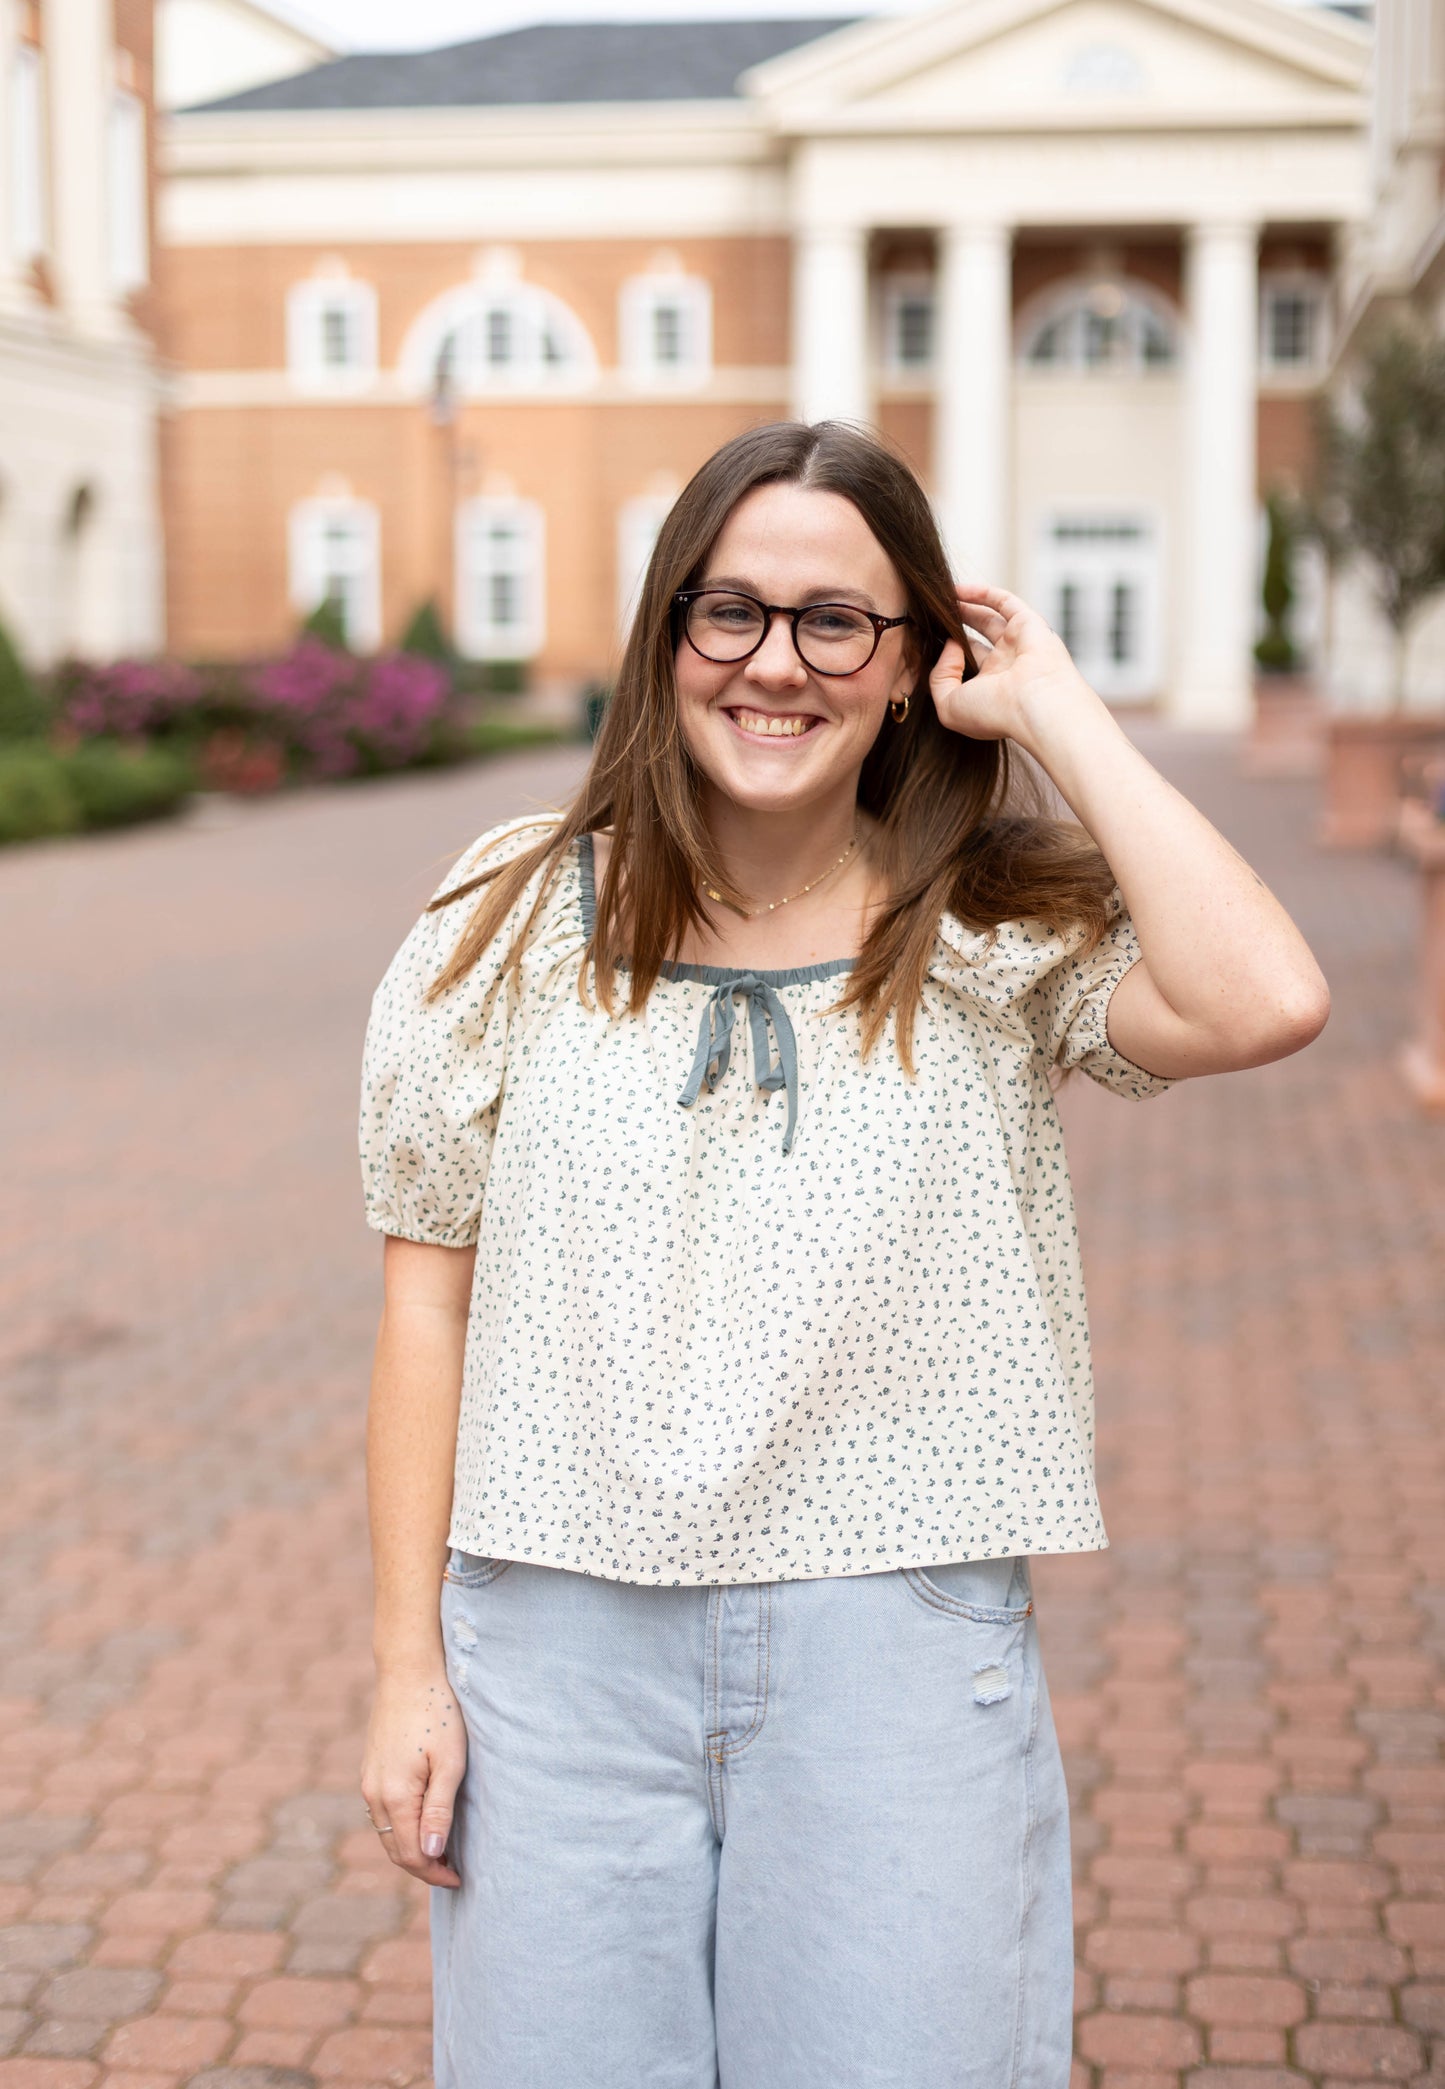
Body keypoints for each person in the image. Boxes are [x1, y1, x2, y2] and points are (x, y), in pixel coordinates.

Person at [358, 419, 1328, 2089]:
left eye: (837, 621)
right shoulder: (507, 917)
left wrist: (1059, 711)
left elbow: (1263, 999)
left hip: (893, 1642)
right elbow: (422, 1304)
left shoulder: (991, 928)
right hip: (557, 1653)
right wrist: (402, 1672)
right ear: (667, 640)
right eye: (727, 611)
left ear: (909, 665)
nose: (774, 664)